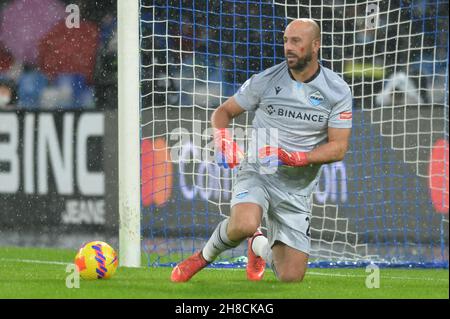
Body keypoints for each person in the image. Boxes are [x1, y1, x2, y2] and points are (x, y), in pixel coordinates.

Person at [171, 18, 353, 283]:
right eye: (286, 41)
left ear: (316, 46)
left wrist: (298, 158)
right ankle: (202, 257)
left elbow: (338, 148)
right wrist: (224, 140)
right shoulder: (266, 80)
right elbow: (223, 112)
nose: (288, 47)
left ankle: (257, 246)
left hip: (297, 189)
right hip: (259, 171)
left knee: (290, 277)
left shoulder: (337, 90)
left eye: (296, 41)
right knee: (243, 224)